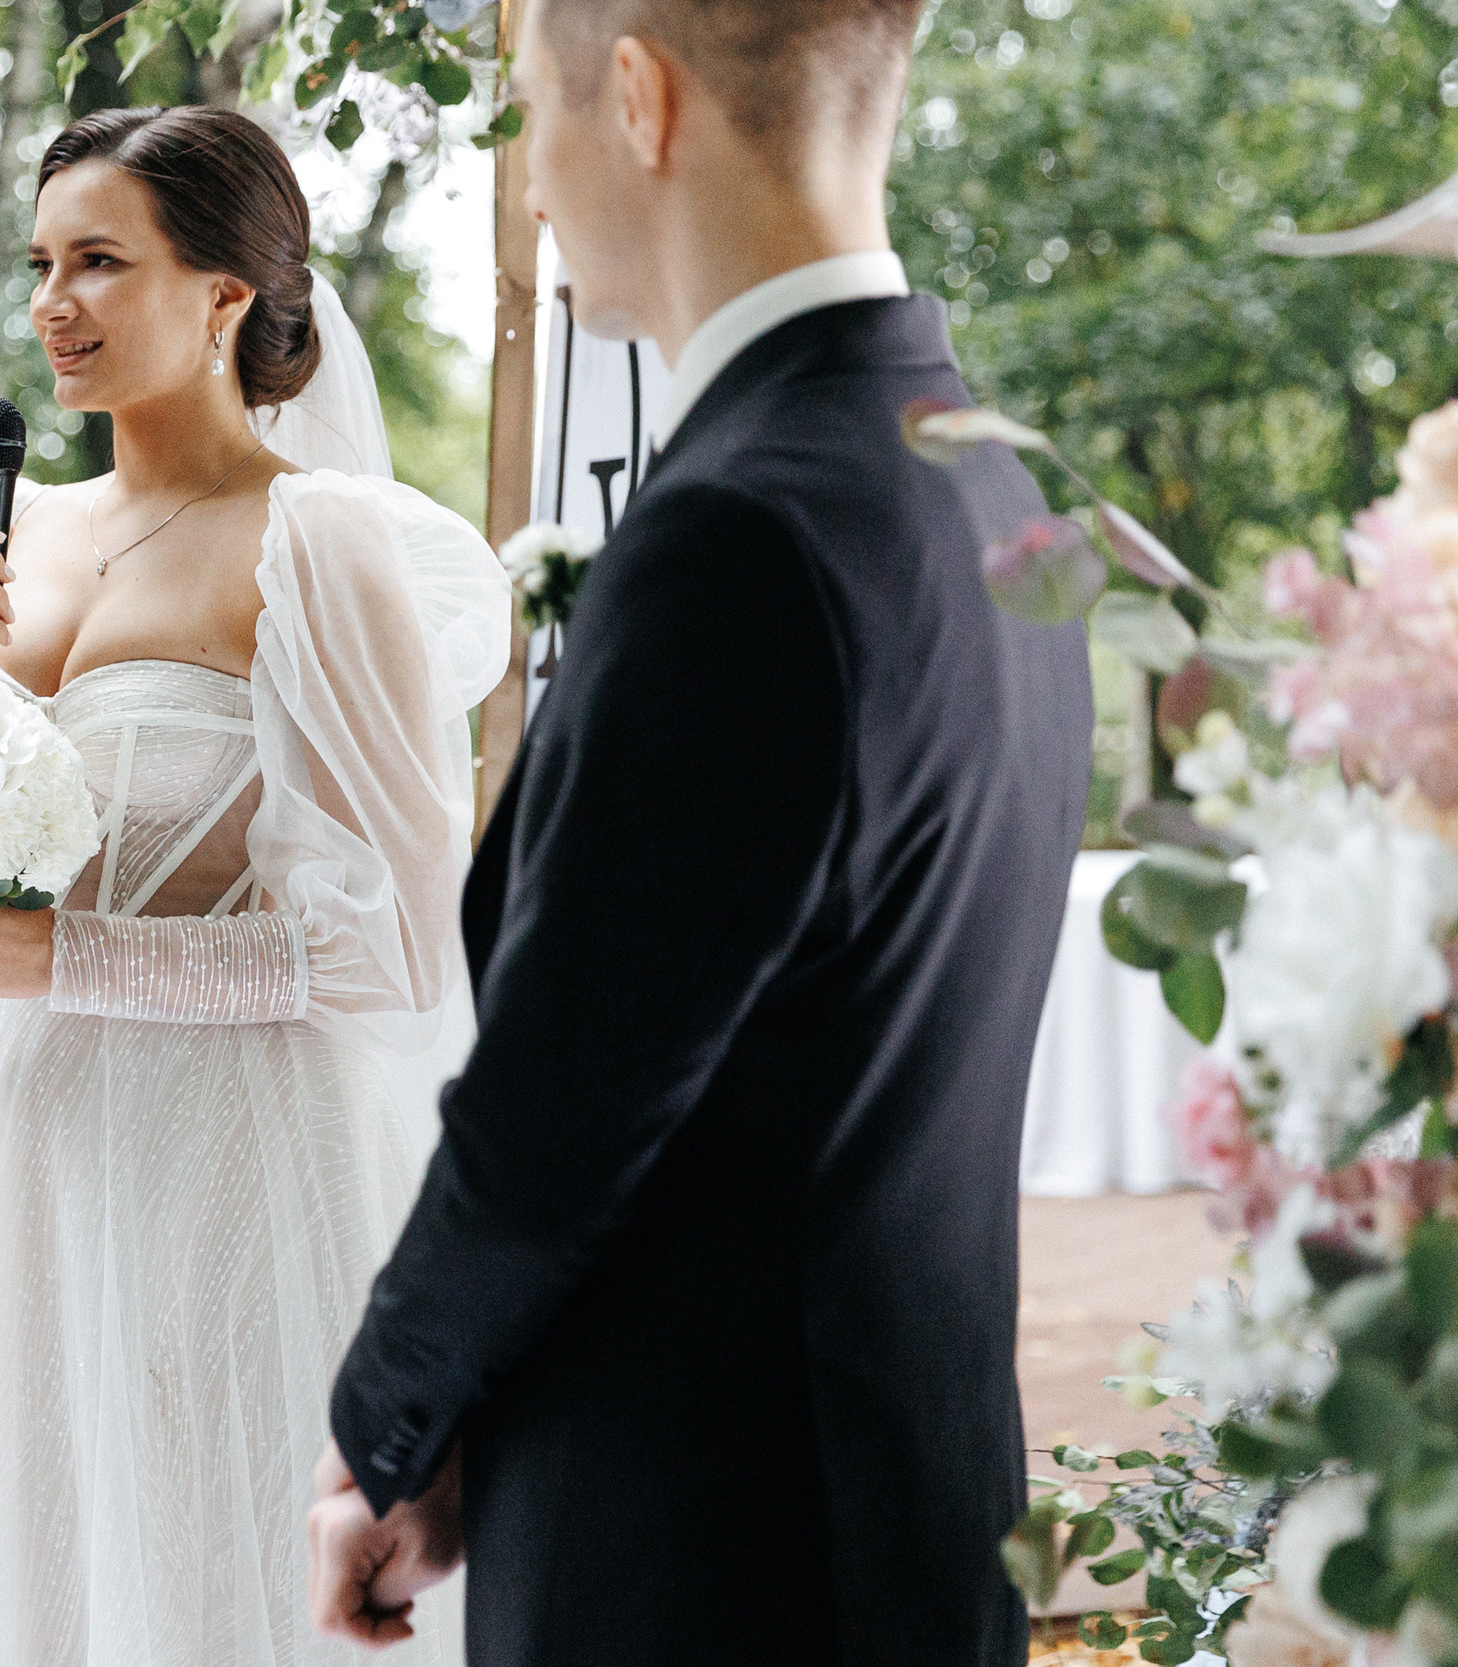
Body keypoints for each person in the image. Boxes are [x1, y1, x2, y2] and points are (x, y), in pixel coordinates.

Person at [306, 0, 1095, 1662]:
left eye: (530, 109)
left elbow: (563, 1101)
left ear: (644, 98)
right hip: (914, 1517)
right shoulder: (1004, 496)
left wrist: (389, 1424)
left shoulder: (738, 531)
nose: (526, 180)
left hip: (703, 1558)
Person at [0, 106, 507, 1667]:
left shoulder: (325, 546)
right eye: (39, 263)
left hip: (224, 1171)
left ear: (228, 297)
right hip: (6, 1164)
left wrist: (67, 958)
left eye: (100, 261)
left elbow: (397, 947)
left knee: (199, 1573)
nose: (52, 305)